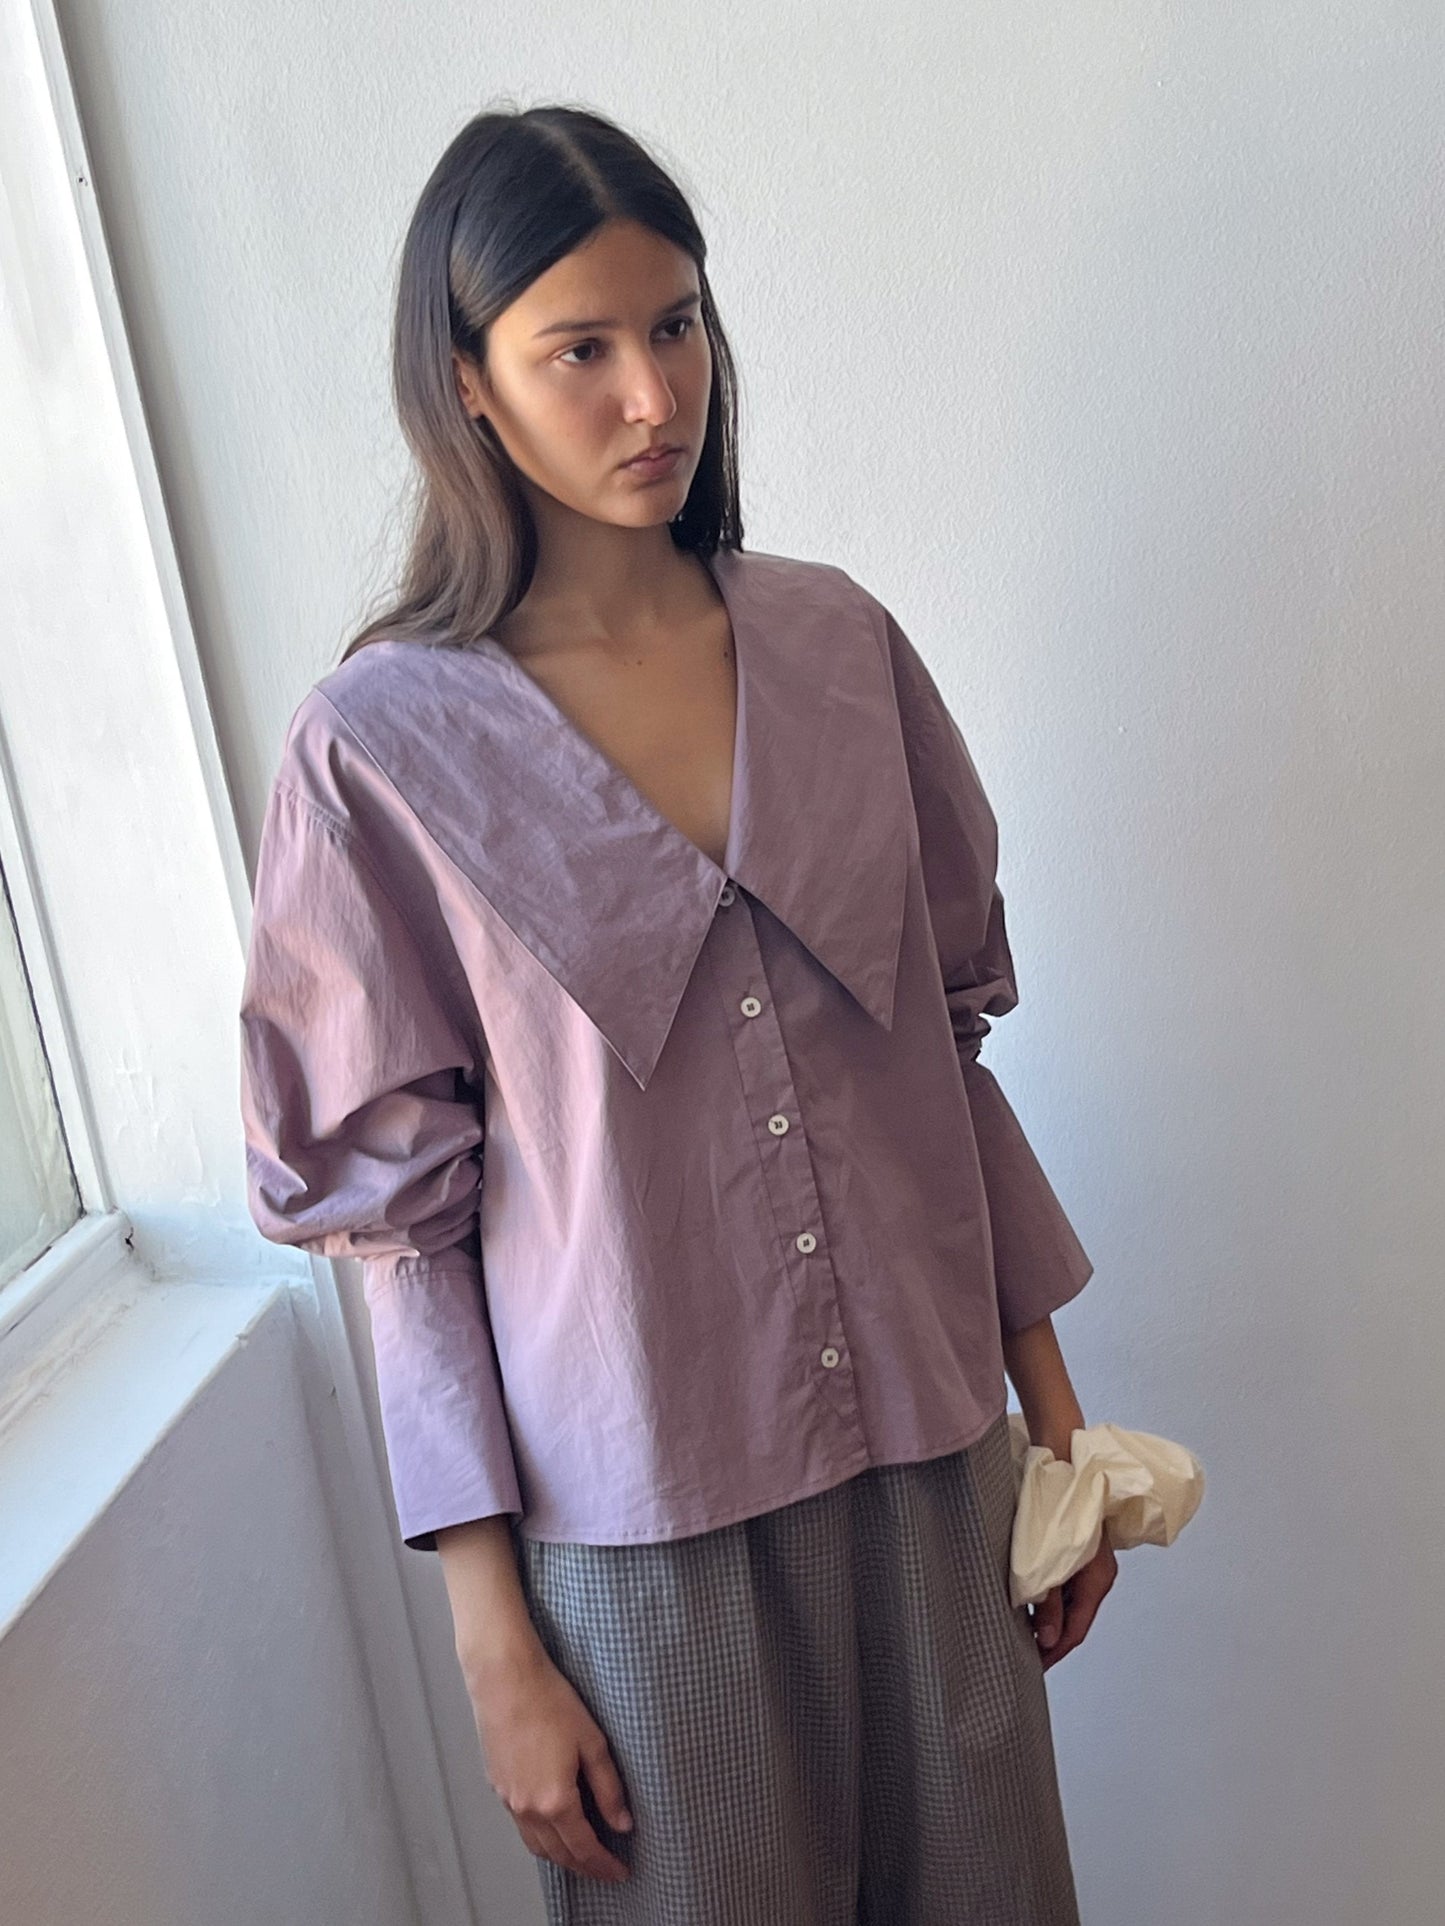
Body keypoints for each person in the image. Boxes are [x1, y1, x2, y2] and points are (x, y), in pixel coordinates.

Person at [238, 102, 1116, 1924]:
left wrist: (1056, 1425)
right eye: (581, 349)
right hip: (640, 1542)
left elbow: (941, 1061)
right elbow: (410, 1230)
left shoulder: (836, 645)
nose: (653, 396)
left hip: (943, 1468)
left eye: (678, 326)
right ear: (467, 384)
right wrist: (497, 1644)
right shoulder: (379, 752)